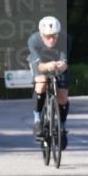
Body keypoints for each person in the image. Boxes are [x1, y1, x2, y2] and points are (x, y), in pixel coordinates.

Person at [29, 16, 71, 148]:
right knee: (41, 82)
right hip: (41, 63)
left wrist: (61, 65)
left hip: (57, 63)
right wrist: (47, 66)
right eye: (48, 37)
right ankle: (37, 120)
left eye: (54, 36)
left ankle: (62, 126)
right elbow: (39, 66)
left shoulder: (65, 39)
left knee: (62, 98)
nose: (51, 39)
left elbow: (65, 62)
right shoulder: (33, 40)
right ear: (41, 35)